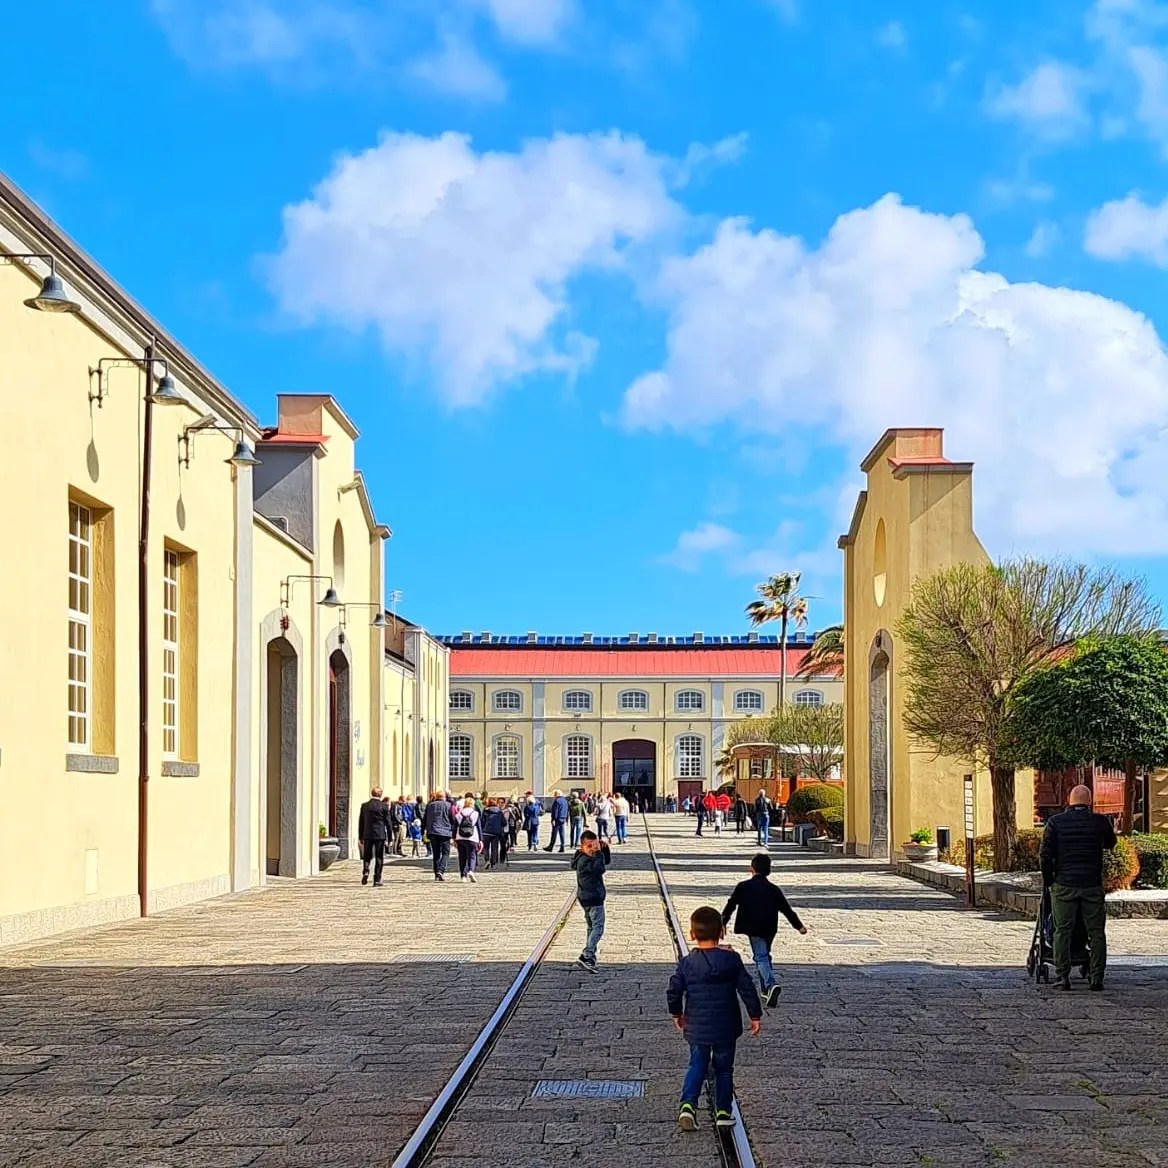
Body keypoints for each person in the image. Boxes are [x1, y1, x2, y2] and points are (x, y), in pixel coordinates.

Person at [668, 906, 762, 1132]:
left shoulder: (688, 963)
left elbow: (673, 990)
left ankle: (688, 1105)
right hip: (726, 1027)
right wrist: (755, 1014)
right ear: (722, 932)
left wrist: (677, 1014)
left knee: (697, 1064)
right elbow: (747, 988)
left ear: (691, 935)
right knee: (724, 1069)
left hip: (697, 1026)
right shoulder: (731, 960)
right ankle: (723, 1112)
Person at [1040, 784, 1117, 991]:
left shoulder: (1056, 822)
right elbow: (1111, 843)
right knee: (1096, 932)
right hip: (1091, 883)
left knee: (1061, 930)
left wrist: (1049, 881)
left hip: (1064, 884)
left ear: (1069, 800)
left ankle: (1063, 976)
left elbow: (1046, 855)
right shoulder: (1100, 822)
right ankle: (1096, 977)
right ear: (1090, 801)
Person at [721, 851, 807, 1007]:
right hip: (769, 928)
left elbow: (731, 905)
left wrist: (723, 922)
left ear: (751, 869)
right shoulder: (774, 889)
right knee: (764, 955)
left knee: (761, 957)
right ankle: (765, 991)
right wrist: (798, 926)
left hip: (753, 928)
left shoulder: (743, 886)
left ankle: (770, 984)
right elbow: (786, 910)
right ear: (769, 870)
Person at [571, 829, 611, 973]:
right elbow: (599, 869)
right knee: (598, 927)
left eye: (594, 845)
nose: (592, 849)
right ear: (582, 846)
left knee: (591, 927)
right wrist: (599, 853)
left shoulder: (585, 857)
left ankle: (589, 956)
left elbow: (605, 862)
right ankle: (588, 954)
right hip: (593, 897)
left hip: (587, 897)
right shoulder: (584, 861)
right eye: (589, 846)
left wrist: (605, 850)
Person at [357, 786, 392, 887]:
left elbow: (361, 822)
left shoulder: (365, 806)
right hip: (380, 835)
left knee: (367, 856)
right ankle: (377, 879)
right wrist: (390, 838)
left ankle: (366, 870)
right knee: (379, 857)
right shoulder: (384, 807)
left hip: (367, 834)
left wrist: (360, 837)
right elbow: (388, 823)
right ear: (380, 795)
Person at [422, 789, 455, 882]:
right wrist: (454, 832)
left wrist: (423, 831)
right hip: (445, 832)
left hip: (433, 832)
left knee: (436, 854)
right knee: (445, 853)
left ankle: (436, 874)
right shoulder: (449, 806)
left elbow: (425, 819)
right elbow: (452, 819)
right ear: (444, 797)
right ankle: (441, 870)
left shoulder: (430, 806)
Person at [454, 795, 482, 883]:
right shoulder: (475, 814)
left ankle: (463, 876)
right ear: (472, 804)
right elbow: (479, 827)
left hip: (460, 837)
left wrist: (454, 838)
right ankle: (471, 870)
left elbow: (455, 827)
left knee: (462, 857)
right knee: (472, 855)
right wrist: (481, 839)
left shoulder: (458, 814)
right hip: (472, 837)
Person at [482, 799, 508, 869]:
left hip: (486, 832)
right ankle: (493, 863)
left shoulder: (485, 811)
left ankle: (487, 860)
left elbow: (482, 821)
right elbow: (504, 823)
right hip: (496, 833)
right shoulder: (499, 812)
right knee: (494, 848)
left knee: (486, 848)